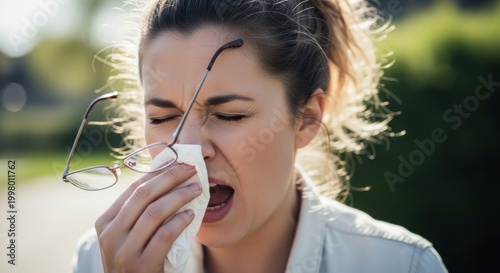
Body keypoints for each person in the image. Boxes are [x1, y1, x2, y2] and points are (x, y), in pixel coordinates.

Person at [71, 0, 448, 272]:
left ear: (306, 119)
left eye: (229, 115)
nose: (187, 148)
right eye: (163, 116)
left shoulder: (401, 264)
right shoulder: (100, 260)